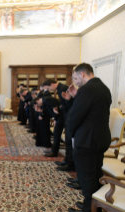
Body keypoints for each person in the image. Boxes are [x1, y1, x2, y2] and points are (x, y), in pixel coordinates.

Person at [67, 63, 111, 212]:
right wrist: (76, 97)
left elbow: (75, 115)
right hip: (101, 139)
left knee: (87, 179)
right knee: (96, 174)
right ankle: (93, 205)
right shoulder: (103, 88)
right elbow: (93, 112)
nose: (75, 82)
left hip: (87, 141)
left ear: (82, 74)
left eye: (75, 78)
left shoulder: (86, 89)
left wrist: (70, 135)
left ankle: (89, 208)